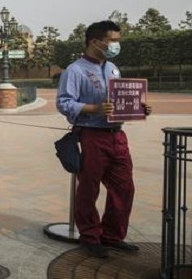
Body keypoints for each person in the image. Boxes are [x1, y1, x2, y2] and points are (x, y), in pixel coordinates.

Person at [56, 20, 152, 259]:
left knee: (124, 187)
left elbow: (120, 100)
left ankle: (112, 236)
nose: (116, 45)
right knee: (89, 189)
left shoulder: (113, 69)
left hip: (117, 136)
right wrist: (94, 108)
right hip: (90, 136)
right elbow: (64, 103)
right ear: (95, 42)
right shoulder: (75, 70)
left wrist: (139, 108)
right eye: (113, 41)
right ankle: (90, 237)